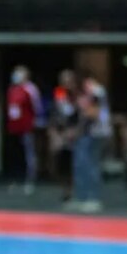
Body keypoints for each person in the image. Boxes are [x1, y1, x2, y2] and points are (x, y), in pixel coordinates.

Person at [70, 74, 111, 213]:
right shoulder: (87, 94)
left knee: (91, 165)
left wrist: (84, 107)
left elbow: (94, 113)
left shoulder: (98, 92)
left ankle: (93, 198)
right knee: (80, 165)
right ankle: (81, 197)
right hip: (85, 134)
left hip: (95, 133)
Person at [6, 66, 43, 194]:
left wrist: (36, 123)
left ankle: (31, 180)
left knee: (29, 154)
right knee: (17, 154)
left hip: (27, 127)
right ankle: (16, 179)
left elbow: (37, 107)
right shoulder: (12, 89)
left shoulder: (30, 89)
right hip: (14, 127)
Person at [48, 69, 79, 203]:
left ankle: (72, 190)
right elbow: (54, 114)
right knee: (58, 164)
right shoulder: (59, 94)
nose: (66, 84)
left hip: (74, 134)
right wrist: (53, 132)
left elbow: (81, 116)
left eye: (69, 81)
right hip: (60, 134)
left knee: (72, 163)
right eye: (63, 81)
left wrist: (74, 131)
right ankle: (65, 188)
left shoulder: (78, 96)